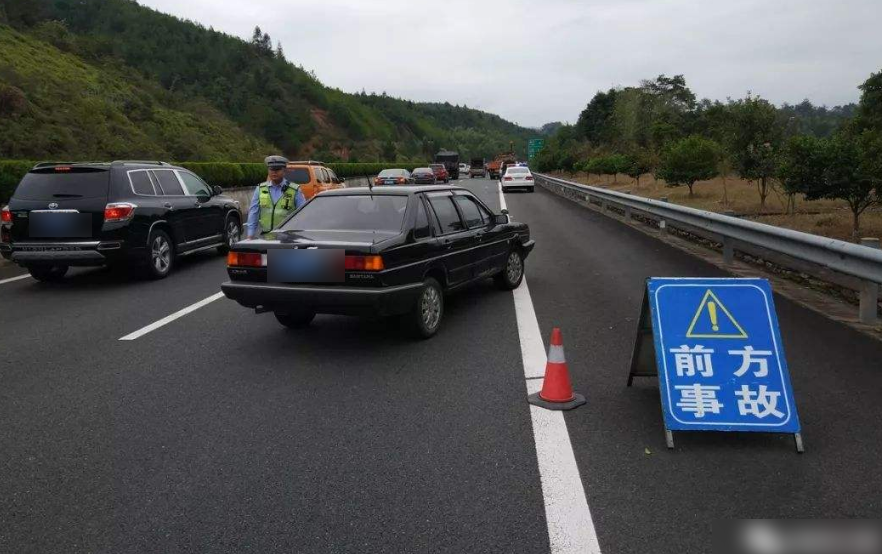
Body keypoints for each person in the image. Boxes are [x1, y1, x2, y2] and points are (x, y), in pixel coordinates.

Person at [245, 155, 306, 239]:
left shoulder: (295, 190)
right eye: (271, 169)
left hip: (288, 238)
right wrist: (250, 235)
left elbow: (303, 215)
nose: (274, 172)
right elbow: (253, 213)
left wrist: (301, 236)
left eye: (277, 169)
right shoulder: (260, 189)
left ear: (284, 171)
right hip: (266, 237)